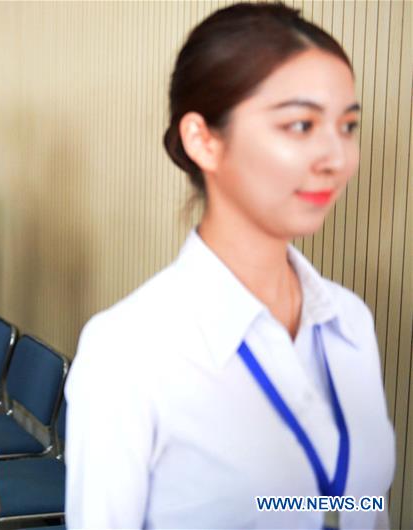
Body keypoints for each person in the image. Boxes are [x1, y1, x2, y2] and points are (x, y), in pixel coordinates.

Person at [64, 4, 395, 529]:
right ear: (204, 140)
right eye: (301, 124)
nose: (336, 156)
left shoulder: (349, 322)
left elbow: (362, 509)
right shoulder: (127, 351)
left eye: (348, 125)